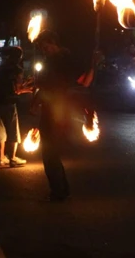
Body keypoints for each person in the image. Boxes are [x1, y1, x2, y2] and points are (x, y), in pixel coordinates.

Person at [32, 30, 96, 202]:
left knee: (50, 153)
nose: (44, 50)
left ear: (53, 43)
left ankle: (58, 191)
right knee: (51, 154)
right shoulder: (53, 60)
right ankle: (61, 189)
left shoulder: (62, 61)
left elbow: (79, 82)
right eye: (42, 48)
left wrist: (92, 67)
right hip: (52, 110)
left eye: (46, 47)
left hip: (57, 113)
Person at [0, 46, 33, 167]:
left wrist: (25, 83)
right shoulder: (17, 69)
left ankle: (1, 157)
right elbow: (17, 89)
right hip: (9, 103)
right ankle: (13, 158)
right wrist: (30, 88)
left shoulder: (2, 67)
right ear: (19, 56)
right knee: (13, 131)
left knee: (1, 131)